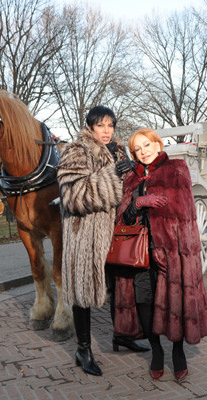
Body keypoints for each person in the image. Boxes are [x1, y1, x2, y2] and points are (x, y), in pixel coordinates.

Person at [114, 127, 207, 382]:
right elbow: (122, 218)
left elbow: (186, 215)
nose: (143, 152)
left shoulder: (176, 169)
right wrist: (137, 203)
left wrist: (169, 250)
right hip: (138, 255)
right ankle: (156, 352)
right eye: (137, 149)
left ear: (158, 145)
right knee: (144, 302)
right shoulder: (131, 178)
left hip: (171, 253)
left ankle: (178, 354)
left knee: (174, 303)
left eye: (147, 145)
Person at [56, 105, 139, 376]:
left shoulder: (117, 150)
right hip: (86, 233)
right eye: (101, 125)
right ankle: (83, 349)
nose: (106, 131)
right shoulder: (76, 151)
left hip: (115, 231)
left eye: (110, 125)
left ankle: (122, 335)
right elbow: (73, 197)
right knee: (84, 290)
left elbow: (127, 191)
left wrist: (132, 175)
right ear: (90, 126)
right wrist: (113, 176)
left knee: (120, 285)